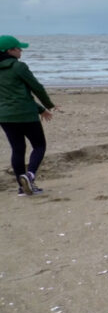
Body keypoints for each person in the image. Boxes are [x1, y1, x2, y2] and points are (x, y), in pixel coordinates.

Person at [0, 35, 59, 196]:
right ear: (9, 51)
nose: (21, 51)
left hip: (4, 116)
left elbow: (14, 96)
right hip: (25, 114)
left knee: (17, 149)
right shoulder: (19, 67)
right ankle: (30, 175)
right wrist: (49, 105)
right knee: (39, 145)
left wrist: (41, 109)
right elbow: (36, 87)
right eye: (18, 48)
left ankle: (22, 188)